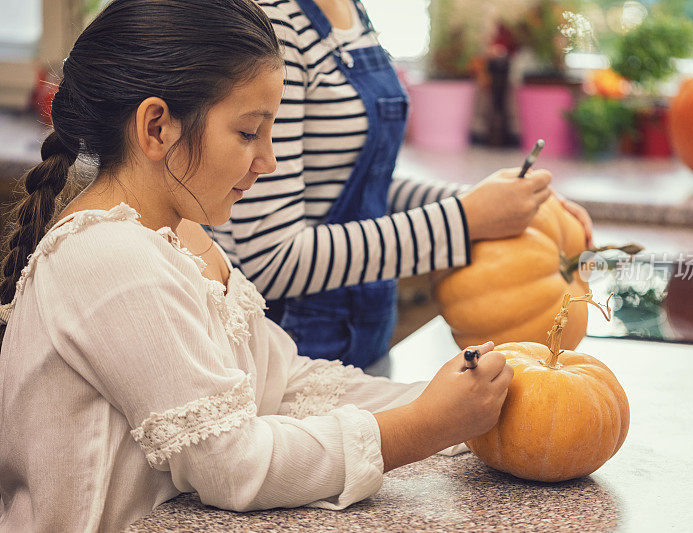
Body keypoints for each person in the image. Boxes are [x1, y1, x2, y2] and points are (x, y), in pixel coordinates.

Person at [0, 1, 513, 531]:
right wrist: (424, 426)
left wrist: (449, 402)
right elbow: (228, 462)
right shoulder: (108, 259)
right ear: (157, 127)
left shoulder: (184, 237)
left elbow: (283, 382)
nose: (268, 161)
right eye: (249, 133)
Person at [214, 0, 592, 372]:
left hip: (367, 335)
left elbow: (360, 185)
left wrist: (489, 202)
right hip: (293, 350)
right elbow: (269, 260)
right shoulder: (276, 21)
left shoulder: (351, 10)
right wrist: (464, 218)